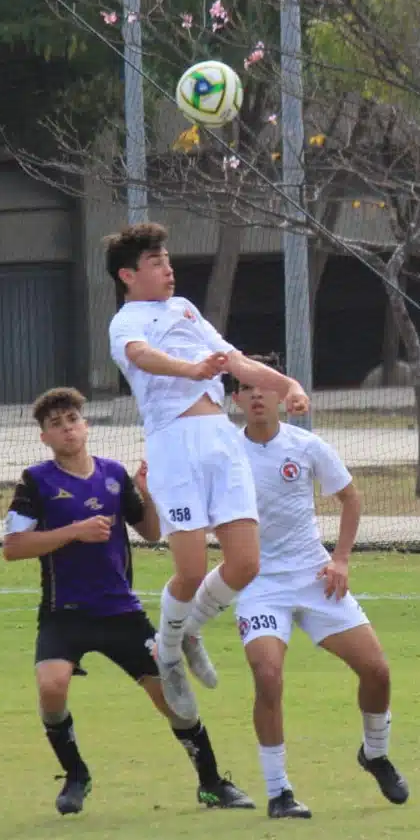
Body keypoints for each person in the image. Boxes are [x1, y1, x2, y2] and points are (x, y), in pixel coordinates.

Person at [2, 386, 253, 815]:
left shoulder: (114, 475)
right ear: (44, 437)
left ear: (86, 425)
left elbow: (152, 532)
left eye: (72, 421)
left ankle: (212, 784)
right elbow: (13, 546)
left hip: (121, 612)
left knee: (173, 700)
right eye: (55, 425)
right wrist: (74, 532)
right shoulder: (36, 481)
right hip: (65, 614)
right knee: (51, 686)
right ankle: (76, 775)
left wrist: (148, 491)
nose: (66, 430)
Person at [105, 222, 308, 736]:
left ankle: (183, 631)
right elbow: (140, 356)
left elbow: (233, 359)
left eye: (168, 259)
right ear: (128, 275)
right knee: (191, 570)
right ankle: (167, 653)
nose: (168, 268)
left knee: (245, 563)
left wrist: (286, 385)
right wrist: (190, 371)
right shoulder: (127, 320)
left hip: (221, 440)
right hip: (174, 445)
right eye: (155, 262)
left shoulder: (186, 309)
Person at [228, 354, 409, 819]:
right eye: (246, 388)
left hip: (314, 576)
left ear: (278, 393)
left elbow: (350, 498)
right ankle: (279, 791)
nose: (256, 395)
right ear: (236, 399)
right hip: (258, 583)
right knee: (267, 676)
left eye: (262, 386)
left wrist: (341, 559)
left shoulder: (306, 446)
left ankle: (376, 753)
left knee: (378, 672)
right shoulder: (224, 452)